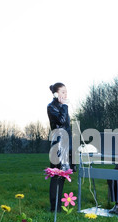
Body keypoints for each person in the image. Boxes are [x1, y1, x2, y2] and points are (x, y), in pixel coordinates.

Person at [47, 82, 72, 212]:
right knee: (55, 175)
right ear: (56, 94)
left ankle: (58, 207)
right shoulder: (52, 107)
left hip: (66, 145)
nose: (65, 94)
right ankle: (54, 207)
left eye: (66, 92)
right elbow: (61, 121)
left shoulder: (62, 107)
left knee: (62, 176)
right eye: (62, 92)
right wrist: (65, 106)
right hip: (57, 145)